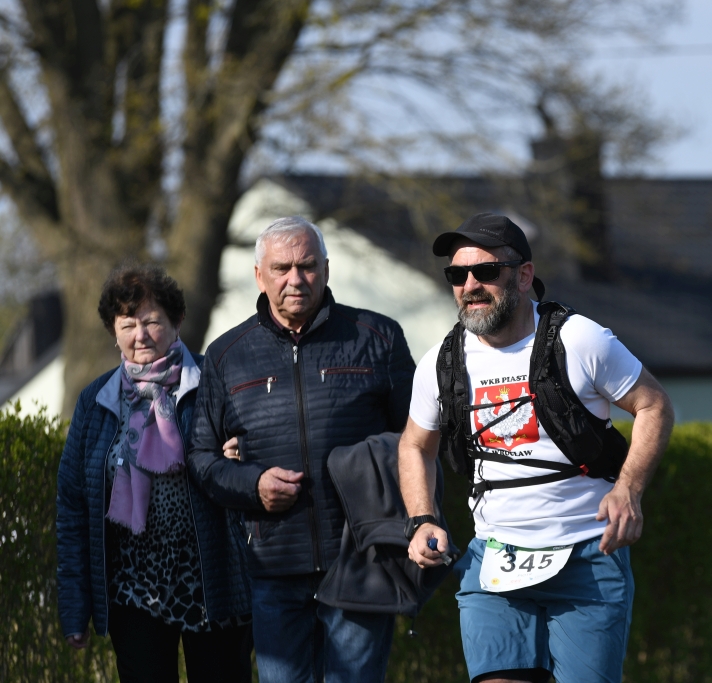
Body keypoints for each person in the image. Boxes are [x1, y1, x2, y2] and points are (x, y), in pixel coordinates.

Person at [399, 213, 675, 683]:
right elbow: (414, 445)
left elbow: (654, 406)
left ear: (524, 275)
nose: (470, 285)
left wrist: (628, 489)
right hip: (494, 558)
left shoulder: (579, 340)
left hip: (587, 554)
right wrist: (422, 518)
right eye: (457, 275)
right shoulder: (440, 363)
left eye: (486, 271)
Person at [187, 216, 416, 683]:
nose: (296, 279)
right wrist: (252, 483)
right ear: (259, 276)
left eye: (308, 266)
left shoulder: (378, 337)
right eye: (281, 268)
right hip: (272, 567)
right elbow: (201, 458)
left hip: (360, 560)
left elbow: (418, 442)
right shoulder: (226, 355)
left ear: (326, 269)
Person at [56, 264, 252, 683]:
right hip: (133, 592)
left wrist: (243, 454)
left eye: (151, 322)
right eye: (128, 325)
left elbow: (257, 454)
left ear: (177, 320)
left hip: (212, 583)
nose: (140, 335)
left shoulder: (216, 382)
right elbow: (73, 507)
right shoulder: (95, 400)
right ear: (113, 331)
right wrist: (74, 608)